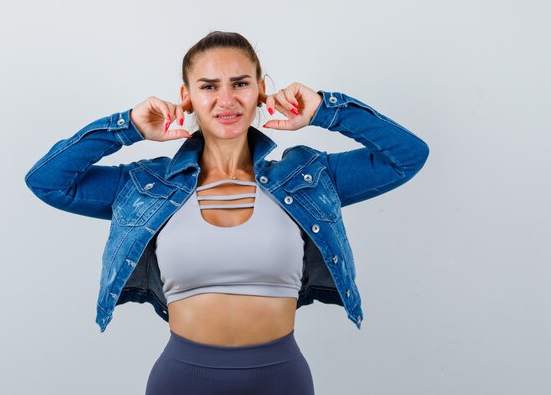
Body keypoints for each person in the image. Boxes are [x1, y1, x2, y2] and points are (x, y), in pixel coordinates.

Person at [24, 30, 430, 394]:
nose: (226, 100)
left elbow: (406, 157)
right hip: (181, 379)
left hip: (281, 379)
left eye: (240, 83)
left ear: (261, 90)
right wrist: (127, 126)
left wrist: (325, 109)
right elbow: (48, 181)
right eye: (208, 86)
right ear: (186, 96)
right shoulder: (146, 186)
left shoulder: (309, 177)